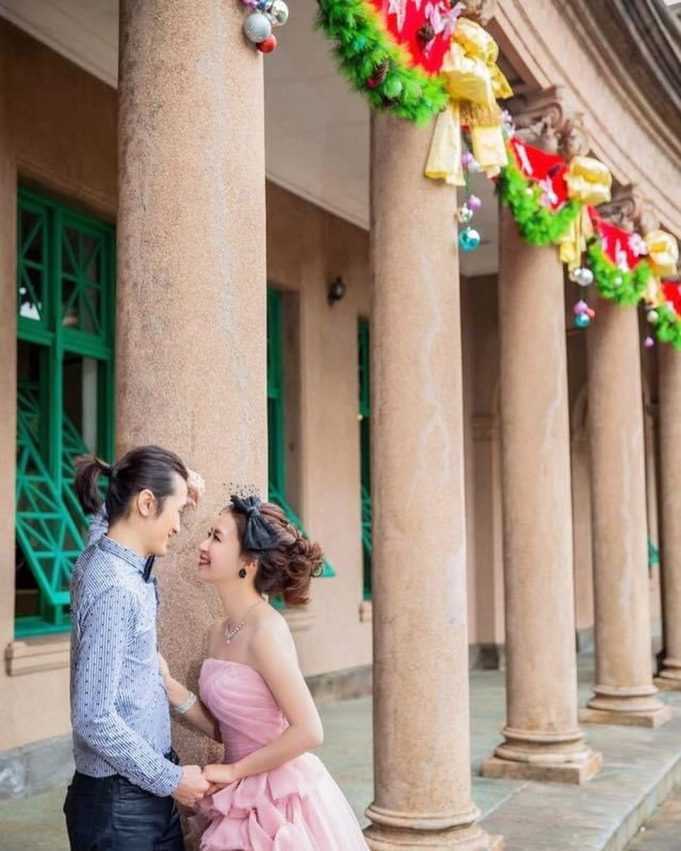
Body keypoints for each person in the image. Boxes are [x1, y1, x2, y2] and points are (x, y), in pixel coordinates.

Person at [161, 494, 369, 850]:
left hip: (276, 794)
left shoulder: (266, 631)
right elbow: (227, 727)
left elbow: (309, 730)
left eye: (216, 537)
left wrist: (234, 771)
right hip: (236, 791)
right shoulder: (218, 631)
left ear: (249, 561)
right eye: (208, 534)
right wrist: (170, 688)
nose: (202, 544)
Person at [63, 445, 210, 851]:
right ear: (146, 503)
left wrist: (181, 488)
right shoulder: (115, 586)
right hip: (120, 808)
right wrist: (173, 780)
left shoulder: (106, 552)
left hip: (134, 799)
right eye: (178, 511)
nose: (180, 525)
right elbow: (93, 717)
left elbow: (108, 525)